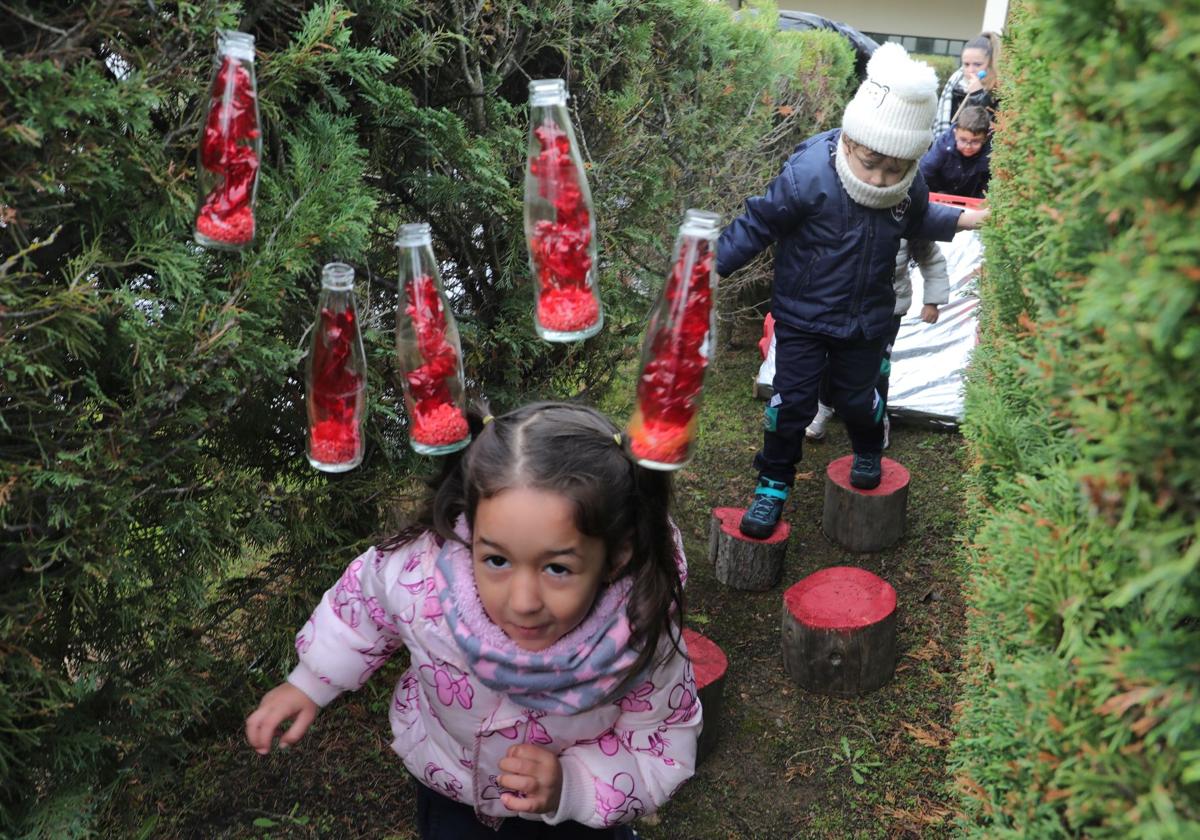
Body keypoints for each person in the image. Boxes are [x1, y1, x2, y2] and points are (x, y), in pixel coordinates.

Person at [245, 402, 699, 838]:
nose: (522, 602)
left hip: (571, 821)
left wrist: (573, 785)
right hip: (450, 791)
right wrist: (312, 680)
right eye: (497, 560)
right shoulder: (422, 579)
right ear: (470, 525)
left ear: (616, 556)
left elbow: (662, 741)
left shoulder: (639, 635)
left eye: (557, 569)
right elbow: (365, 602)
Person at [716, 42, 988, 539]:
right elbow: (759, 223)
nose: (880, 178)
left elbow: (924, 218)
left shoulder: (909, 185)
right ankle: (773, 482)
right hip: (802, 316)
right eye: (870, 163)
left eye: (895, 169)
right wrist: (707, 268)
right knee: (791, 402)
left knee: (859, 399)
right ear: (850, 139)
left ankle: (867, 446)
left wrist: (971, 219)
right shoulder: (809, 175)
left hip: (867, 320)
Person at [805, 239, 951, 447]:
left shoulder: (909, 218)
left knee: (878, 366)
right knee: (834, 358)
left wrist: (932, 301)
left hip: (888, 310)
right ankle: (822, 411)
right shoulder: (848, 212)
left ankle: (878, 419)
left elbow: (932, 258)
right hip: (845, 304)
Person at [933, 32, 1001, 136]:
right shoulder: (956, 84)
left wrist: (978, 96)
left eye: (977, 64)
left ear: (991, 64)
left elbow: (982, 129)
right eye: (966, 64)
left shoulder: (1000, 91)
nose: (971, 70)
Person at [920, 105, 992, 199]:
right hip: (939, 194)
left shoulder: (989, 153)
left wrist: (981, 199)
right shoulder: (943, 145)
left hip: (970, 198)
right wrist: (934, 193)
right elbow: (925, 171)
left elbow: (989, 181)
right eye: (963, 140)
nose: (968, 146)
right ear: (955, 133)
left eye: (975, 142)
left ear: (985, 139)